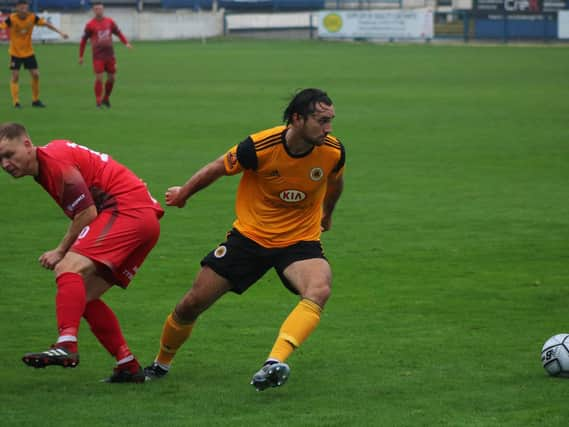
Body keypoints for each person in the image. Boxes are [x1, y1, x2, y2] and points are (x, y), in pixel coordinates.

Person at [144, 88, 345, 391]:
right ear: (297, 119)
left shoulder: (333, 150)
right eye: (321, 120)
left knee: (319, 287)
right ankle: (161, 363)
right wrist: (184, 193)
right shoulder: (260, 145)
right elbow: (217, 167)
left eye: (330, 120)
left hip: (299, 242)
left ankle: (274, 362)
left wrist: (327, 215)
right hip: (250, 238)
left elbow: (335, 181)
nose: (328, 128)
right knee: (191, 304)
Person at [0, 122, 164, 383]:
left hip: (127, 211)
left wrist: (60, 250)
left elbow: (87, 213)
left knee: (67, 267)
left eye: (9, 154)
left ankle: (66, 345)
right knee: (82, 297)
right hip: (144, 219)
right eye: (0, 160)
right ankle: (128, 365)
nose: (6, 164)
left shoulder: (53, 162)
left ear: (27, 144)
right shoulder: (49, 162)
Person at [0, 0, 68, 108]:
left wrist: (61, 32)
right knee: (15, 76)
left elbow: (47, 24)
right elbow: (1, 26)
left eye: (25, 8)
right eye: (21, 8)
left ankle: (35, 100)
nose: (24, 10)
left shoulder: (32, 17)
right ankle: (16, 102)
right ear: (17, 8)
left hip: (28, 52)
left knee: (36, 74)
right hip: (15, 53)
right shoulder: (11, 19)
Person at [79, 2, 132, 108]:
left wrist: (126, 43)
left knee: (112, 78)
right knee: (99, 77)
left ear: (103, 10)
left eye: (100, 9)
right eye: (96, 9)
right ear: (94, 11)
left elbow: (118, 33)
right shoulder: (90, 25)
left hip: (110, 55)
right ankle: (98, 101)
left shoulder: (110, 22)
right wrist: (81, 56)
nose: (99, 11)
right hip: (98, 56)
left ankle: (106, 99)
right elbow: (83, 40)